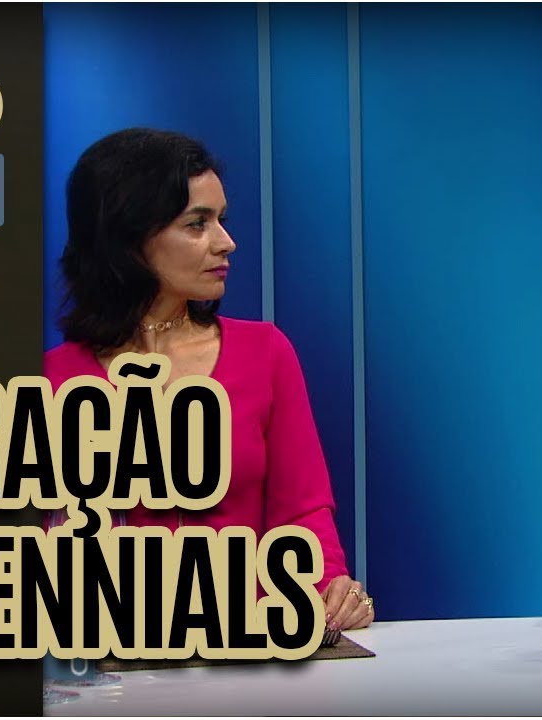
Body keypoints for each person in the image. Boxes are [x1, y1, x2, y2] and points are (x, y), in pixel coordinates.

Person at [44, 127, 373, 633]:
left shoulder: (265, 353)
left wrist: (332, 588)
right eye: (197, 224)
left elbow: (303, 512)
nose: (226, 242)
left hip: (252, 644)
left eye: (221, 220)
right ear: (129, 238)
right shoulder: (51, 380)